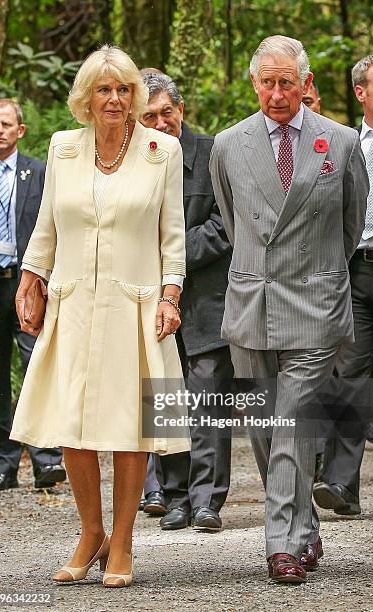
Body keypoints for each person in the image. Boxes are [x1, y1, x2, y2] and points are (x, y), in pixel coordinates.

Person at [10, 45, 189, 588]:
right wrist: (31, 277)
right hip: (73, 304)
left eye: (125, 89)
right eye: (105, 90)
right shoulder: (63, 148)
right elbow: (46, 224)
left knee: (132, 428)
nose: (116, 99)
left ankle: (125, 541)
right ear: (85, 98)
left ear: (135, 95)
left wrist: (170, 295)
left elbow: (173, 234)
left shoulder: (162, 150)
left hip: (135, 304)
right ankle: (91, 533)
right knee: (74, 424)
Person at [210, 35, 368, 583]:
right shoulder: (229, 145)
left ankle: (280, 543)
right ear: (254, 83)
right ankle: (304, 526)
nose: (277, 93)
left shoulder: (341, 142)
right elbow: (233, 224)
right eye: (267, 82)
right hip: (253, 301)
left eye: (287, 82)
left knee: (293, 421)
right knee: (264, 424)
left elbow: (351, 224)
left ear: (305, 83)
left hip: (317, 302)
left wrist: (322, 271)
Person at [140, 71, 234, 531]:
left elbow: (227, 224)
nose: (160, 123)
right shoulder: (133, 161)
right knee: (163, 403)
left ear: (181, 110)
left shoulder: (214, 153)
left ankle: (206, 501)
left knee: (207, 403)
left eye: (166, 113)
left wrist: (173, 258)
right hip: (150, 304)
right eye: (149, 116)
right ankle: (173, 496)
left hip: (207, 303)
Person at [314, 53, 373, 516]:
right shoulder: (344, 144)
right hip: (355, 270)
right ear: (361, 93)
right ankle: (341, 485)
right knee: (351, 379)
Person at [0, 99, 65, 491]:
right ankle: (1, 464)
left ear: (20, 130)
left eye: (6, 124)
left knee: (39, 367)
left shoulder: (39, 172)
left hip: (30, 282)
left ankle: (47, 460)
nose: (0, 130)